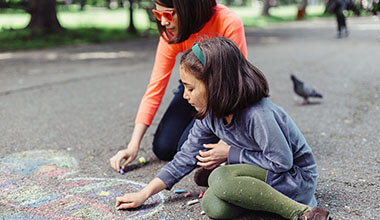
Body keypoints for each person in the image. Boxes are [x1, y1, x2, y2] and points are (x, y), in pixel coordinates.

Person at [114, 37, 330, 220]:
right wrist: (145, 193)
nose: (185, 95)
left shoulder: (258, 114)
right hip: (268, 177)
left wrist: (230, 153)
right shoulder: (210, 113)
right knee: (213, 205)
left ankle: (301, 212)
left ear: (216, 85)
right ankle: (269, 202)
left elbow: (281, 162)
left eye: (190, 88)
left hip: (294, 178)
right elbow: (186, 156)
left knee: (219, 178)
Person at [109, 0, 248, 172]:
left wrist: (225, 144)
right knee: (164, 148)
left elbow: (238, 85)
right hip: (192, 89)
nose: (163, 22)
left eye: (168, 14)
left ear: (190, 7)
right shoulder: (171, 34)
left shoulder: (228, 21)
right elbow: (155, 88)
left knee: (191, 150)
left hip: (223, 93)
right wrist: (132, 145)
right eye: (158, 15)